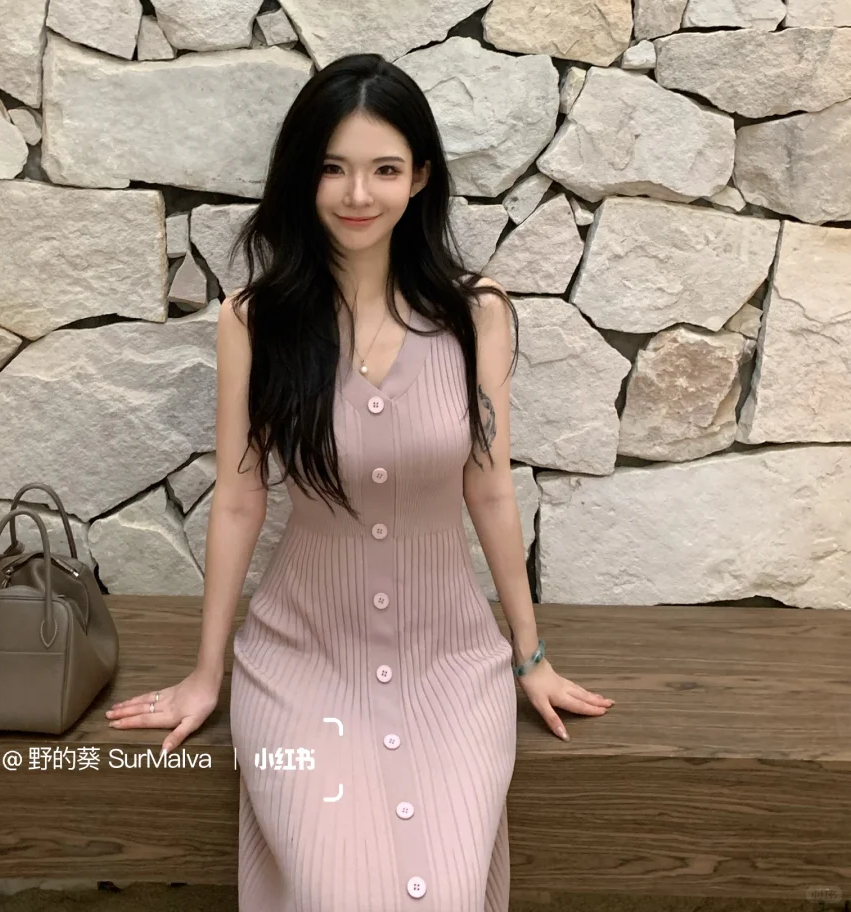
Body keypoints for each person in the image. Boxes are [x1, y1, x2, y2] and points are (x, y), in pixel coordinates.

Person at [106, 51, 613, 909]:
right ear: (303, 176)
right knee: (330, 886)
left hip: (448, 661)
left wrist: (529, 656)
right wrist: (205, 673)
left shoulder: (476, 314)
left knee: (443, 888)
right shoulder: (255, 321)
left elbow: (490, 490)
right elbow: (240, 500)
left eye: (384, 169)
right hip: (303, 661)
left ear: (421, 177)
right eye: (333, 168)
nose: (357, 194)